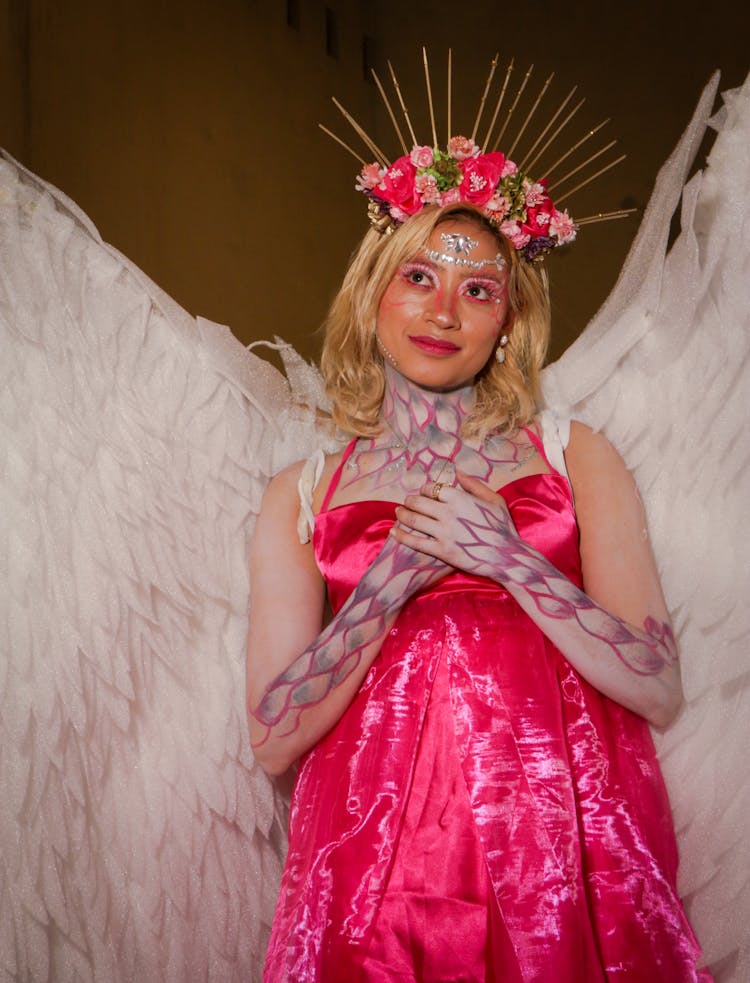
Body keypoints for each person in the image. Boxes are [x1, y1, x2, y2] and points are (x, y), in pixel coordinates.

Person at [246, 192, 711, 978]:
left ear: (508, 320)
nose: (444, 312)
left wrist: (509, 558)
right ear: (373, 292)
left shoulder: (575, 456)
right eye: (419, 276)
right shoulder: (304, 490)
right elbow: (270, 736)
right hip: (371, 876)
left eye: (479, 290)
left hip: (560, 860)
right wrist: (388, 579)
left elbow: (659, 684)